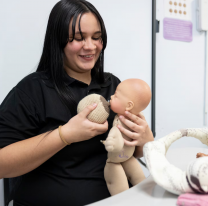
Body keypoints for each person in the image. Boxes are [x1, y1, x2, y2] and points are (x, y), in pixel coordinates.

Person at [0, 1, 154, 206]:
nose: (90, 46)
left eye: (97, 37)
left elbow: (130, 151)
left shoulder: (113, 86)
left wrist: (144, 139)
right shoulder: (33, 90)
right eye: (78, 38)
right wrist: (64, 135)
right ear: (59, 41)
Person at [103, 79, 152, 196]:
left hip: (128, 157)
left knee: (140, 180)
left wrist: (148, 139)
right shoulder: (124, 119)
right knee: (120, 190)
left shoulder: (134, 121)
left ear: (129, 105)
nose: (111, 96)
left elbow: (116, 134)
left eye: (116, 95)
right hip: (120, 159)